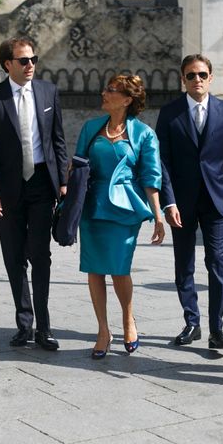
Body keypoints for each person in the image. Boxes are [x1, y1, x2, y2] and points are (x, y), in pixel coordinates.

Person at [0, 36, 68, 351]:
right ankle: (24, 325)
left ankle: (44, 328)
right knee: (14, 258)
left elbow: (58, 141)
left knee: (41, 256)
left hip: (43, 184)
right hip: (7, 190)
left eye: (34, 59)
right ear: (7, 64)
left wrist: (63, 182)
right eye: (24, 60)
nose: (31, 65)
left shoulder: (48, 92)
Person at [156, 54, 223, 350]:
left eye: (202, 74)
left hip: (216, 200)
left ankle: (216, 329)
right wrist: (168, 202)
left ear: (211, 77)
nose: (197, 80)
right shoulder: (169, 113)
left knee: (217, 263)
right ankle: (192, 322)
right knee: (184, 265)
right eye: (191, 75)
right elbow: (163, 162)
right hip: (181, 202)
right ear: (183, 79)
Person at [75, 75, 165, 359]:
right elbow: (77, 167)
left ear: (127, 100)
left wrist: (158, 215)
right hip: (92, 207)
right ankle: (103, 330)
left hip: (125, 208)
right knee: (94, 269)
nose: (104, 93)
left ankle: (128, 318)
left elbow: (151, 176)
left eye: (110, 90)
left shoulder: (144, 133)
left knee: (119, 269)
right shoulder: (91, 128)